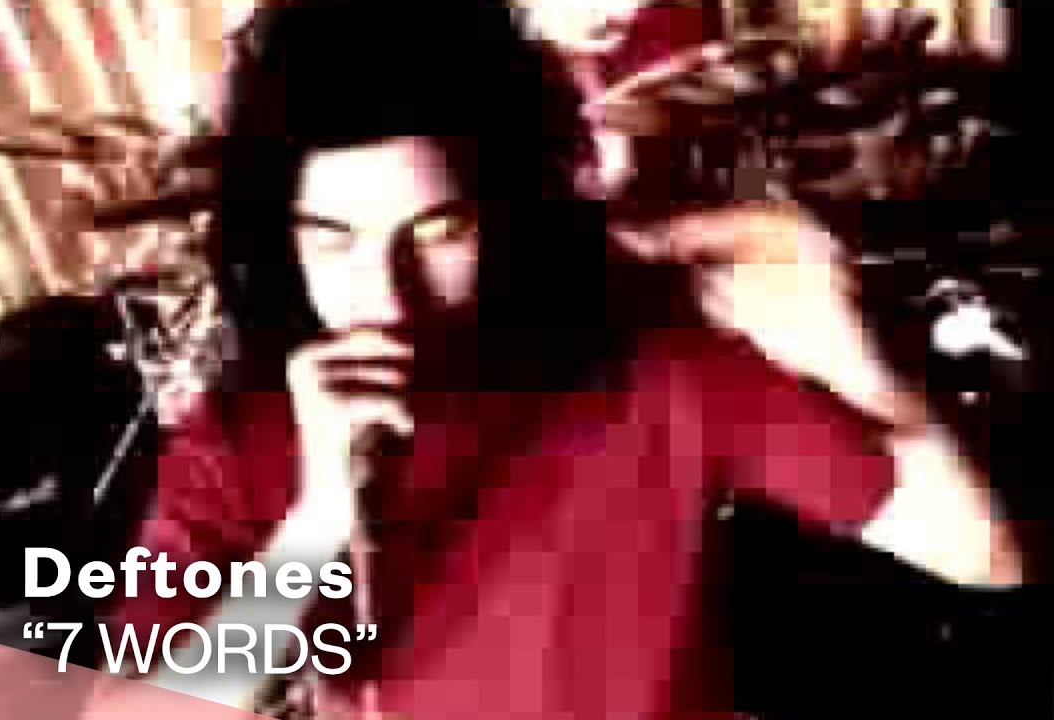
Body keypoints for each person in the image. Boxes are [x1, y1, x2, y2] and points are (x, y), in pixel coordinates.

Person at [100, 1, 1023, 718]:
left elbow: (981, 551)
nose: (387, 297)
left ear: (506, 212)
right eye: (332, 240)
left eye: (439, 232)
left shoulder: (653, 362)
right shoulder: (241, 435)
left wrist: (849, 349)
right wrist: (315, 525)